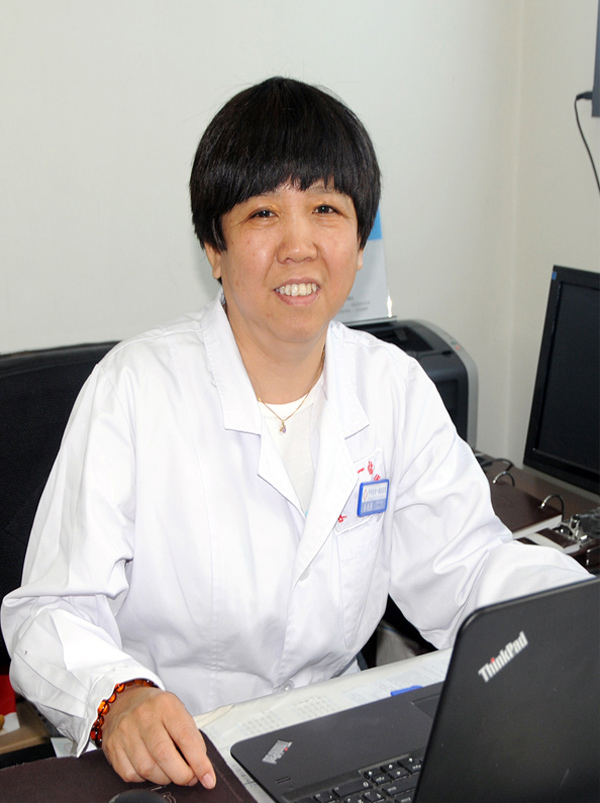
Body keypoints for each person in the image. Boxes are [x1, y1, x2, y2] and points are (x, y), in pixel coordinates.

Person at [1, 77, 588, 789]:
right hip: (176, 761)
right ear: (214, 248)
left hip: (329, 743)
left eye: (326, 209)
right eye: (262, 213)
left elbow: (468, 566)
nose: (299, 245)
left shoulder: (393, 386)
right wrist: (119, 697)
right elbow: (50, 610)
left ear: (360, 242)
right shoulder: (135, 389)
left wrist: (579, 616)